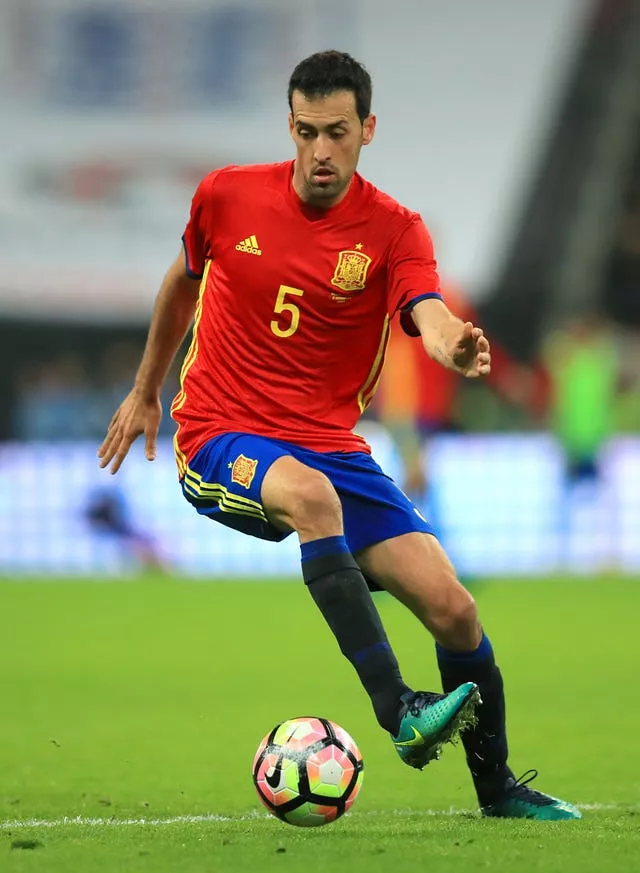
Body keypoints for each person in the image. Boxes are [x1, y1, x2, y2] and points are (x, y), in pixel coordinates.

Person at [99, 51, 580, 820]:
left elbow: (427, 309)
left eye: (340, 133)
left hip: (329, 445)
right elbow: (182, 280)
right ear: (289, 127)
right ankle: (398, 711)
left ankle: (499, 794)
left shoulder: (393, 230)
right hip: (219, 431)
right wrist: (146, 389)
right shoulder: (226, 196)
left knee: (456, 609)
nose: (322, 151)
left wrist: (453, 342)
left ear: (368, 130)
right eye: (309, 132)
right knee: (313, 497)